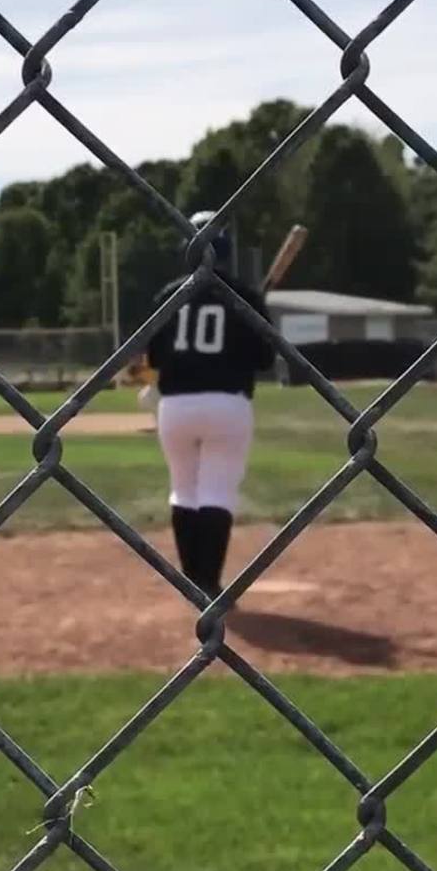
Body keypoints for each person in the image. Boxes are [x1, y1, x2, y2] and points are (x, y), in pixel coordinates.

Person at [146, 212, 274, 597]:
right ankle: (210, 584)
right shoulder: (245, 297)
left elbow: (155, 357)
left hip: (176, 406)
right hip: (227, 404)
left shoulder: (168, 296)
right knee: (218, 491)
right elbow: (265, 359)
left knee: (183, 490)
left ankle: (191, 581)